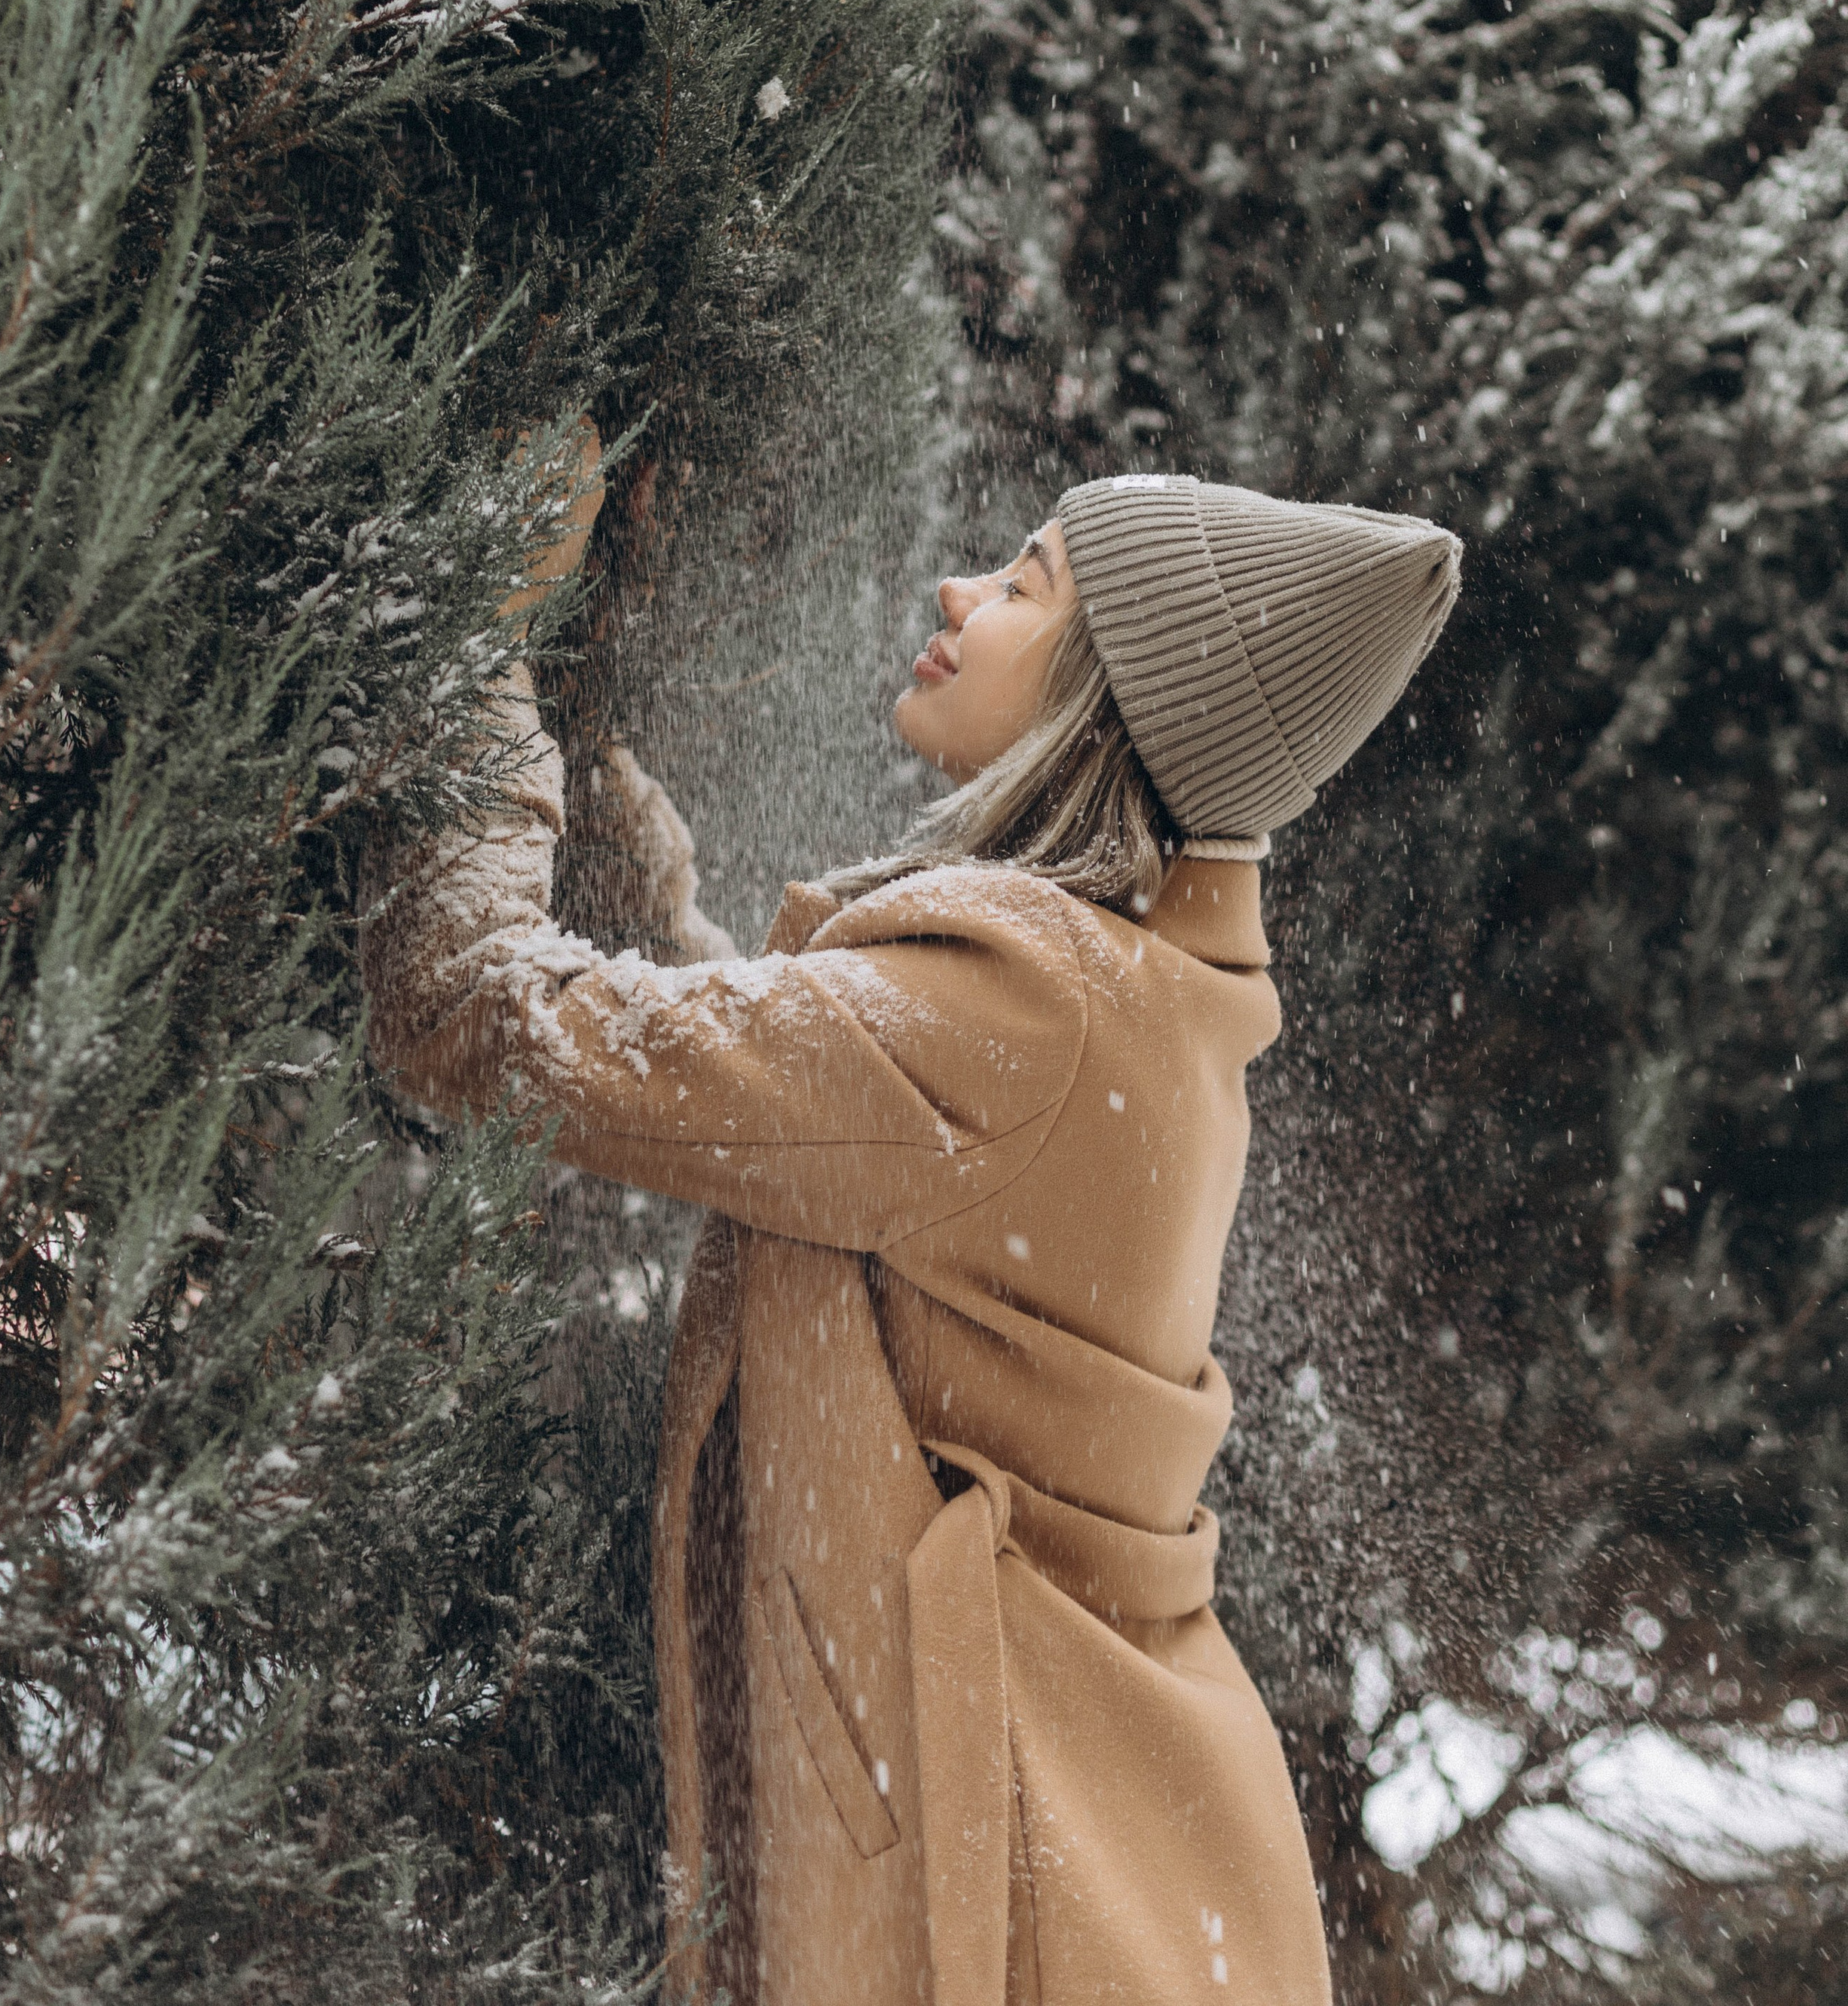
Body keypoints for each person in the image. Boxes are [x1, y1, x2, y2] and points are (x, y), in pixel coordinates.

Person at [360, 470, 1461, 2006]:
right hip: (1113, 1865)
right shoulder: (1125, 1003)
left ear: (1106, 697)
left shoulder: (1021, 1014)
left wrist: (469, 654)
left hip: (1003, 1890)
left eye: (1026, 586)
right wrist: (599, 811)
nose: (958, 595)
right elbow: (818, 1124)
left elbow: (473, 1019)